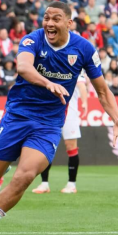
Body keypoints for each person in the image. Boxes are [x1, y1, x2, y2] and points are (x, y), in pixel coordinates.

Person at [0, 2, 118, 235]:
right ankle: (11, 160)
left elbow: (102, 90)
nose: (49, 23)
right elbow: (23, 67)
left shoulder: (84, 49)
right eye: (46, 18)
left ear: (69, 23)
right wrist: (48, 83)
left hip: (48, 124)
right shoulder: (32, 39)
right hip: (17, 116)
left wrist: (116, 118)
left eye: (56, 19)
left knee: (25, 177)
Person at [32, 19, 89, 194]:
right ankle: (45, 184)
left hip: (69, 112)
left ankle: (72, 184)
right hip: (50, 111)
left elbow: (81, 85)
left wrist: (85, 102)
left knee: (71, 147)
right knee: (45, 147)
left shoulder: (74, 64)